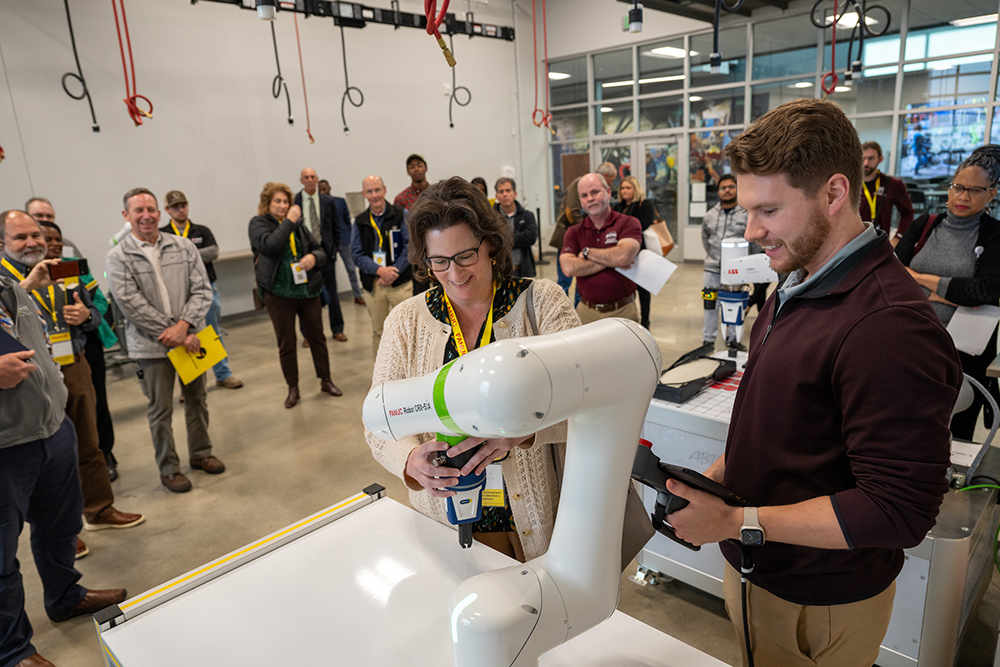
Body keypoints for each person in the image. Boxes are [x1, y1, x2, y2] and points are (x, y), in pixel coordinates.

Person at [665, 98, 962, 667]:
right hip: (766, 570)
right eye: (749, 209)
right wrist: (721, 479)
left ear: (833, 193)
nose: (752, 232)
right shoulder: (795, 286)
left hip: (817, 599)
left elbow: (899, 509)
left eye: (769, 211)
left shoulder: (887, 327)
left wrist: (734, 521)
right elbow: (788, 424)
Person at [365, 177, 580, 562]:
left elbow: (589, 402)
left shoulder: (541, 303)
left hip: (535, 518)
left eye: (466, 256)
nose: (455, 273)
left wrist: (523, 433)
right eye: (440, 261)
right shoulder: (406, 321)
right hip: (445, 523)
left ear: (490, 245)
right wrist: (410, 462)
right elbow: (378, 425)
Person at [0, 253, 127, 667]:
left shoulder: (6, 280)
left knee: (60, 527)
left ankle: (65, 595)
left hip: (51, 428)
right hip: (5, 444)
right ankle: (13, 650)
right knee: (1, 557)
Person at [1, 211, 144, 556]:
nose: (34, 243)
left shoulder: (65, 268)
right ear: (3, 244)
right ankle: (62, 533)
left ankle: (99, 508)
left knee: (87, 442)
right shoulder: (6, 279)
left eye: (38, 235)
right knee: (39, 460)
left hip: (72, 363)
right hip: (26, 376)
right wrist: (29, 286)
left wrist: (86, 317)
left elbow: (97, 310)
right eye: (21, 237)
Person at [106, 188, 226, 494]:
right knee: (160, 409)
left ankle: (201, 453)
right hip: (152, 346)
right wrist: (173, 333)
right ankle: (169, 468)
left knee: (197, 399)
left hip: (192, 341)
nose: (146, 215)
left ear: (159, 212)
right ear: (126, 216)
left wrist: (184, 327)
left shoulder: (183, 246)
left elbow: (202, 290)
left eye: (151, 209)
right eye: (138, 210)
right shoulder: (118, 256)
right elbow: (129, 303)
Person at [896, 145, 1000, 440]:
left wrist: (918, 278)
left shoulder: (994, 234)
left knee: (956, 432)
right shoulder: (925, 225)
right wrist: (949, 293)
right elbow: (893, 276)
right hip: (912, 340)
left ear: (991, 194)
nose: (964, 197)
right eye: (958, 187)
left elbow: (985, 291)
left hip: (965, 351)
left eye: (975, 190)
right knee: (906, 425)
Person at [33, 202, 121, 482]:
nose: (53, 243)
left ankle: (103, 454)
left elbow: (97, 305)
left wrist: (85, 316)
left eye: (56, 236)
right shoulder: (19, 278)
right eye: (42, 231)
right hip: (43, 359)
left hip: (81, 348)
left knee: (95, 406)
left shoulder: (71, 265)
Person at [250, 182, 342, 409]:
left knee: (317, 337)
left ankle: (326, 380)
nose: (282, 206)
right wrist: (289, 220)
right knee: (287, 342)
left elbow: (318, 249)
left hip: (307, 290)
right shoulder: (259, 223)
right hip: (278, 294)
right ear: (267, 203)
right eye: (277, 201)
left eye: (285, 202)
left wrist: (314, 258)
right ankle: (293, 388)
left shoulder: (299, 226)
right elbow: (271, 245)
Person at [161, 190, 244, 389]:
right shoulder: (163, 234)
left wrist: (184, 254)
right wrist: (195, 255)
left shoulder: (201, 230)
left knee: (213, 332)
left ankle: (223, 374)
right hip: (178, 294)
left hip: (206, 290)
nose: (180, 209)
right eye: (175, 207)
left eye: (183, 205)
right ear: (167, 210)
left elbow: (213, 252)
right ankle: (189, 384)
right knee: (183, 337)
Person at [559, 173, 642, 325]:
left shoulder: (628, 223)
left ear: (608, 192)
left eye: (595, 192)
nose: (590, 198)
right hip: (586, 312)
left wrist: (587, 252)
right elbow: (568, 268)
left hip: (623, 311)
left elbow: (623, 256)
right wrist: (612, 259)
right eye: (584, 195)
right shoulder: (574, 232)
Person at [351, 175, 412, 356]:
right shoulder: (360, 221)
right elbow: (356, 254)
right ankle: (381, 380)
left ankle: (411, 377)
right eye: (369, 191)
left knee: (407, 331)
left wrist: (393, 272)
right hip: (374, 286)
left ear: (385, 190)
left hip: (400, 283)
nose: (374, 195)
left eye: (377, 190)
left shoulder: (401, 214)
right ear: (364, 194)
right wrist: (379, 271)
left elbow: (410, 246)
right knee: (379, 333)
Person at [295, 168, 348, 342]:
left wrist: (333, 250)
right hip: (304, 256)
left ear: (317, 179)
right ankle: (307, 335)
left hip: (326, 254)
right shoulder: (295, 201)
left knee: (332, 294)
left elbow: (336, 227)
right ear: (301, 180)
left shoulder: (327, 201)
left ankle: (337, 329)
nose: (310, 180)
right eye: (306, 177)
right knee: (305, 297)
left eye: (313, 177)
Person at [700, 174, 751, 348]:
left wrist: (746, 265)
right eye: (723, 188)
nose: (727, 190)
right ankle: (708, 340)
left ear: (737, 189)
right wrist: (714, 257)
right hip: (712, 269)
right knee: (710, 305)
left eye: (730, 187)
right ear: (718, 191)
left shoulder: (747, 214)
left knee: (734, 305)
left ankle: (732, 338)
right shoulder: (709, 215)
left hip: (736, 272)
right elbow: (705, 239)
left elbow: (752, 242)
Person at [614, 175, 657, 328]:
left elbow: (643, 224)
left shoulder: (644, 204)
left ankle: (645, 319)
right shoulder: (617, 207)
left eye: (628, 188)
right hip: (621, 253)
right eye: (622, 188)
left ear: (635, 189)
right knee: (626, 287)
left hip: (640, 252)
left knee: (643, 289)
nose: (625, 191)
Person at [317, 177, 365, 306]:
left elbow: (347, 221)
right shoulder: (317, 205)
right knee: (327, 273)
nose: (322, 191)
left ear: (329, 188)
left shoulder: (340, 202)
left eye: (324, 188)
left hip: (343, 241)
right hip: (328, 244)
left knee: (351, 269)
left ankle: (357, 295)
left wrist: (349, 237)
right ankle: (328, 299)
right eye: (319, 189)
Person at [860, 141, 914, 247]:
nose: (866, 163)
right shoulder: (850, 184)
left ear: (880, 159)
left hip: (880, 243)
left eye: (871, 158)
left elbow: (908, 213)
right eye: (863, 158)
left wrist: (898, 237)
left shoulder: (892, 184)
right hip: (853, 242)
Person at [395, 153, 431, 295]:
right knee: (420, 293)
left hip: (440, 248)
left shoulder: (438, 192)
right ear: (408, 172)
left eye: (419, 165)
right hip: (417, 254)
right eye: (412, 167)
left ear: (426, 168)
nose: (416, 169)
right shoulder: (401, 199)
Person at [492, 177, 537, 278]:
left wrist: (504, 238)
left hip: (523, 270)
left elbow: (531, 237)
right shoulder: (491, 219)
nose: (505, 194)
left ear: (515, 194)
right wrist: (518, 238)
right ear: (497, 196)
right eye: (501, 191)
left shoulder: (527, 216)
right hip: (499, 273)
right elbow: (491, 241)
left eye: (508, 190)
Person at [548, 176, 582, 299]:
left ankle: (579, 314)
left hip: (581, 240)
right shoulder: (577, 183)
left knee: (581, 283)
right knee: (564, 282)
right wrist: (588, 229)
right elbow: (571, 212)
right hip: (568, 239)